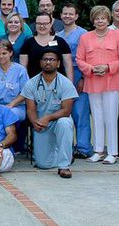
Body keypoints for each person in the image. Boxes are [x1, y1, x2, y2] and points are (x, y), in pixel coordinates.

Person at [76, 6, 119, 164]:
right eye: (97, 18)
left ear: (108, 19)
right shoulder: (85, 37)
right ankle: (98, 150)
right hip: (92, 82)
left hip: (112, 82)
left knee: (111, 117)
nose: (100, 21)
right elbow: (79, 59)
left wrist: (108, 67)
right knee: (97, 117)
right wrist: (91, 69)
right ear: (92, 20)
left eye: (103, 18)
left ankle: (112, 152)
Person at [22, 49, 78, 178]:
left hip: (57, 121)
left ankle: (64, 166)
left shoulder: (65, 83)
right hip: (41, 124)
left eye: (52, 59)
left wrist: (48, 117)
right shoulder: (31, 83)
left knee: (65, 122)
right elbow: (30, 109)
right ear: (41, 63)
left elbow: (66, 110)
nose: (48, 62)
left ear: (58, 63)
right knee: (43, 164)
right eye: (45, 59)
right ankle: (67, 154)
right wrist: (35, 122)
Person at [56, 3, 91, 158]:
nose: (67, 16)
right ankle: (67, 146)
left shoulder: (84, 34)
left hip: (79, 73)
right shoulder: (58, 35)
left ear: (76, 16)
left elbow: (89, 57)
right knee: (64, 112)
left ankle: (83, 148)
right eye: (65, 13)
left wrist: (83, 78)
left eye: (71, 14)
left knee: (80, 112)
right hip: (61, 74)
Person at [0, 39, 29, 120]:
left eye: (4, 53)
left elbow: (25, 93)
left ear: (11, 53)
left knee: (7, 115)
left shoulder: (20, 70)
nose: (1, 56)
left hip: (16, 107)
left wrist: (11, 105)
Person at [20, 12, 73, 78]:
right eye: (39, 23)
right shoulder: (28, 43)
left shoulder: (61, 42)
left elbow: (68, 65)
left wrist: (70, 84)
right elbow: (23, 67)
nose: (42, 26)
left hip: (58, 84)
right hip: (34, 84)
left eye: (45, 23)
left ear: (50, 24)